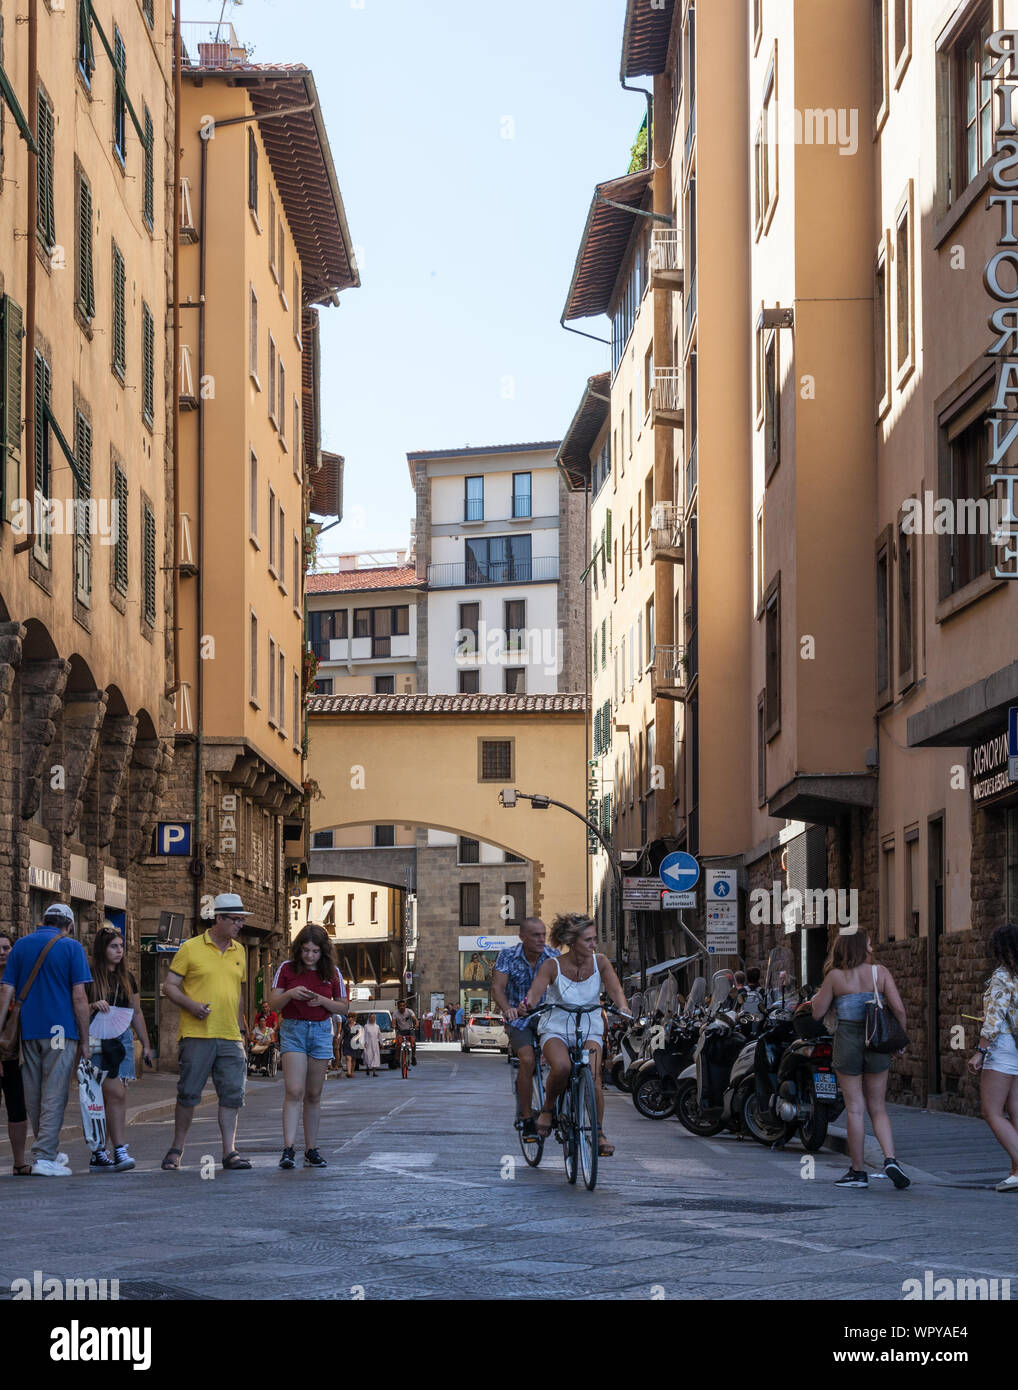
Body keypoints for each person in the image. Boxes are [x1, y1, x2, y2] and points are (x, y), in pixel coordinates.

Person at [519, 913, 630, 1157]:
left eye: (594, 939)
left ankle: (598, 1132)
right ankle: (548, 1109)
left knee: (594, 1075)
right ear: (572, 941)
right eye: (588, 940)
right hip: (556, 1026)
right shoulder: (552, 965)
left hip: (589, 1024)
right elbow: (535, 992)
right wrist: (527, 1004)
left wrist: (623, 1007)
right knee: (561, 1067)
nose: (593, 944)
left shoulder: (600, 962)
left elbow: (615, 989)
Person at [160, 892, 253, 1172]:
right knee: (188, 1094)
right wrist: (192, 1005)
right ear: (219, 919)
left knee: (232, 1095)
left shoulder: (240, 951)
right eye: (235, 920)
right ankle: (177, 1148)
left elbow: (237, 995)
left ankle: (230, 1152)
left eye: (241, 920)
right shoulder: (190, 948)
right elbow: (169, 986)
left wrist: (242, 1030)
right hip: (197, 1034)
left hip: (229, 1035)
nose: (239, 925)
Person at [810, 930, 910, 1190]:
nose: (872, 948)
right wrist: (898, 1041)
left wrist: (817, 999)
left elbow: (818, 1012)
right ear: (859, 947)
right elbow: (898, 1009)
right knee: (878, 1107)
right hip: (876, 1038)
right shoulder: (880, 973)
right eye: (868, 944)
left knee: (855, 1108)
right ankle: (891, 1159)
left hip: (848, 1039)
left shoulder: (835, 977)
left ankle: (858, 1172)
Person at [0, 903, 92, 1176]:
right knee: (55, 1092)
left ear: (44, 921)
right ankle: (45, 1156)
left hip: (28, 1031)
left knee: (34, 1093)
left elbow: (6, 991)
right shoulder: (72, 948)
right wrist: (86, 1041)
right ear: (69, 925)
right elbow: (79, 997)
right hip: (60, 1031)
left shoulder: (21, 947)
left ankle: (46, 1149)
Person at [268, 924, 347, 1168]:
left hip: (321, 1032)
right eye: (305, 950)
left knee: (314, 1095)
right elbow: (272, 1004)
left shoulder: (332, 972)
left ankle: (311, 1149)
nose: (309, 956)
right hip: (293, 1030)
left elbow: (343, 1007)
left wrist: (321, 1000)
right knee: (294, 1090)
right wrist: (291, 993)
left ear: (323, 952)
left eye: (314, 951)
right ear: (298, 950)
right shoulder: (286, 969)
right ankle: (288, 1148)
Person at [86, 926, 153, 1173]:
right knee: (107, 1095)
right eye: (114, 946)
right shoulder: (90, 975)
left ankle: (107, 1151)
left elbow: (136, 1013)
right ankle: (111, 1149)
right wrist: (93, 1004)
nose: (119, 951)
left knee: (116, 1095)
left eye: (121, 946)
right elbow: (78, 1008)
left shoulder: (128, 978)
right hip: (96, 1038)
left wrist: (146, 1045)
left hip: (122, 1038)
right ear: (102, 949)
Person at [492, 917, 559, 1141]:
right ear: (523, 937)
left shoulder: (554, 956)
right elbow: (498, 988)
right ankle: (527, 1117)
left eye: (543, 934)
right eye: (536, 935)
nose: (542, 939)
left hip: (548, 1018)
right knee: (528, 1060)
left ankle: (554, 1108)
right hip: (520, 1018)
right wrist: (507, 1008)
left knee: (563, 1061)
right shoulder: (508, 956)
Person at [967, 923, 1018, 1192]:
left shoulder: (1002, 976)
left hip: (1004, 1047)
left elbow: (994, 1018)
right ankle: (1015, 1170)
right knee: (1015, 1110)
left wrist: (981, 1051)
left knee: (991, 1111)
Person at [0, 932, 30, 1175]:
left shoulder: (20, 981)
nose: (2, 952)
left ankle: (19, 1161)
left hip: (14, 1055)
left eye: (6, 947)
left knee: (17, 1108)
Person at [393, 999, 418, 1064]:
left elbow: (415, 1019)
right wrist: (394, 1026)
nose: (401, 1007)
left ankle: (413, 1057)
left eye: (403, 1006)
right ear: (398, 1006)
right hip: (400, 1031)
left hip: (409, 1030)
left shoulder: (409, 1011)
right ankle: (397, 1059)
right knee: (398, 1044)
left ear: (405, 1006)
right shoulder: (395, 1013)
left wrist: (416, 1024)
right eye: (400, 1006)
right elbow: (393, 1022)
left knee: (413, 1043)